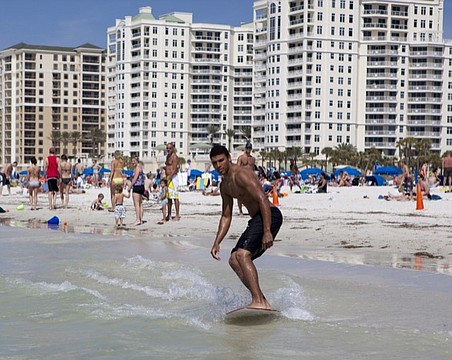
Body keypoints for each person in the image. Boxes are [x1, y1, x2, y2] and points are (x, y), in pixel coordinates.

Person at [209, 145, 283, 310]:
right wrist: (217, 242)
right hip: (257, 219)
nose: (218, 165)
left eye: (221, 160)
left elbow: (263, 199)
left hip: (270, 215)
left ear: (229, 158)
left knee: (242, 255)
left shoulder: (242, 175)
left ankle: (258, 300)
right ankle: (262, 301)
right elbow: (226, 216)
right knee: (234, 260)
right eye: (214, 163)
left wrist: (267, 231)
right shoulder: (225, 186)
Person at [236, 142, 256, 216]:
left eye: (250, 148)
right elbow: (237, 168)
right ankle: (240, 211)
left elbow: (253, 169)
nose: (248, 149)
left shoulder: (253, 159)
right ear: (245, 148)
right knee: (240, 195)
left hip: (250, 178)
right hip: (242, 178)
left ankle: (251, 210)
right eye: (247, 148)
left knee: (251, 195)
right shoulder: (241, 157)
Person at [165, 142, 180, 221]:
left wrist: (169, 178)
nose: (168, 150)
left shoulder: (174, 157)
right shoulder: (167, 156)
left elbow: (175, 169)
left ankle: (177, 215)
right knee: (169, 197)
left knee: (175, 197)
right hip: (168, 177)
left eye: (170, 148)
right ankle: (169, 214)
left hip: (173, 178)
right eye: (167, 148)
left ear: (173, 148)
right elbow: (167, 166)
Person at [130, 156, 145, 225]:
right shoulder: (141, 167)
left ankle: (138, 219)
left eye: (134, 161)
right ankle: (141, 219)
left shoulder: (137, 168)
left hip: (137, 186)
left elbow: (135, 178)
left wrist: (130, 186)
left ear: (136, 161)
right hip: (142, 186)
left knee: (136, 204)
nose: (133, 163)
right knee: (140, 203)